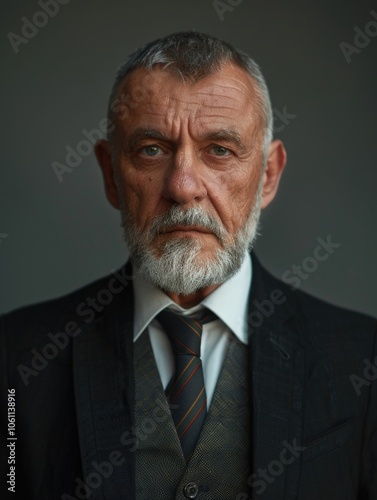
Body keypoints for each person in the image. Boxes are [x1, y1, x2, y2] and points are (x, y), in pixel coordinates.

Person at [0, 31, 376, 500]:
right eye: (152, 149)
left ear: (268, 175)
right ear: (110, 175)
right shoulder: (15, 360)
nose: (182, 186)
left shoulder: (365, 361)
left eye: (220, 150)